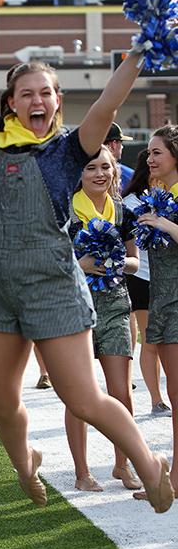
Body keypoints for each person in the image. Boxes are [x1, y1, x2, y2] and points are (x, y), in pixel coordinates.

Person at [0, 30, 174, 512]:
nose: (37, 100)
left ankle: (146, 463)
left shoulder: (69, 149)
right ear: (12, 104)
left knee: (82, 397)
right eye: (26, 94)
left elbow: (107, 103)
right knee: (1, 403)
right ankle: (26, 460)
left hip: (54, 285)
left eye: (46, 92)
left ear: (57, 100)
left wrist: (140, 51)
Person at [65, 146, 141, 492]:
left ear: (114, 171)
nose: (99, 174)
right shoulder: (65, 211)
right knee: (79, 395)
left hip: (115, 304)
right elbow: (54, 259)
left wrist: (116, 263)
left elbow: (135, 262)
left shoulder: (122, 211)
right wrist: (80, 265)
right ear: (79, 174)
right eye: (91, 167)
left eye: (106, 167)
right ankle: (82, 473)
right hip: (75, 307)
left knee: (121, 392)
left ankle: (122, 466)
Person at [133, 124, 178, 501]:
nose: (150, 159)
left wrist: (166, 224)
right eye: (149, 153)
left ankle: (176, 477)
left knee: (177, 393)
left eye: (157, 152)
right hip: (162, 298)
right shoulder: (158, 195)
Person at [123, 150, 171, 417]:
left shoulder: (172, 197)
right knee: (150, 339)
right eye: (151, 162)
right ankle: (156, 400)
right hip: (142, 278)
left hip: (170, 277)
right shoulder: (130, 202)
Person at [103, 123, 134, 193]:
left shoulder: (84, 172)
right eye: (121, 143)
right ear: (113, 144)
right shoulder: (129, 175)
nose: (122, 147)